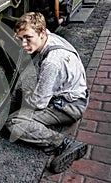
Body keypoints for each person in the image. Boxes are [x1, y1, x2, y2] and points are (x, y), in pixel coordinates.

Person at [5, 12, 89, 173]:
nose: (23, 44)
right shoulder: (52, 39)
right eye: (20, 38)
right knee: (24, 93)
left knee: (14, 122)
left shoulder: (51, 62)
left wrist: (27, 101)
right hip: (73, 95)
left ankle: (64, 144)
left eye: (28, 38)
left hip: (69, 106)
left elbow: (41, 103)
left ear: (42, 32)